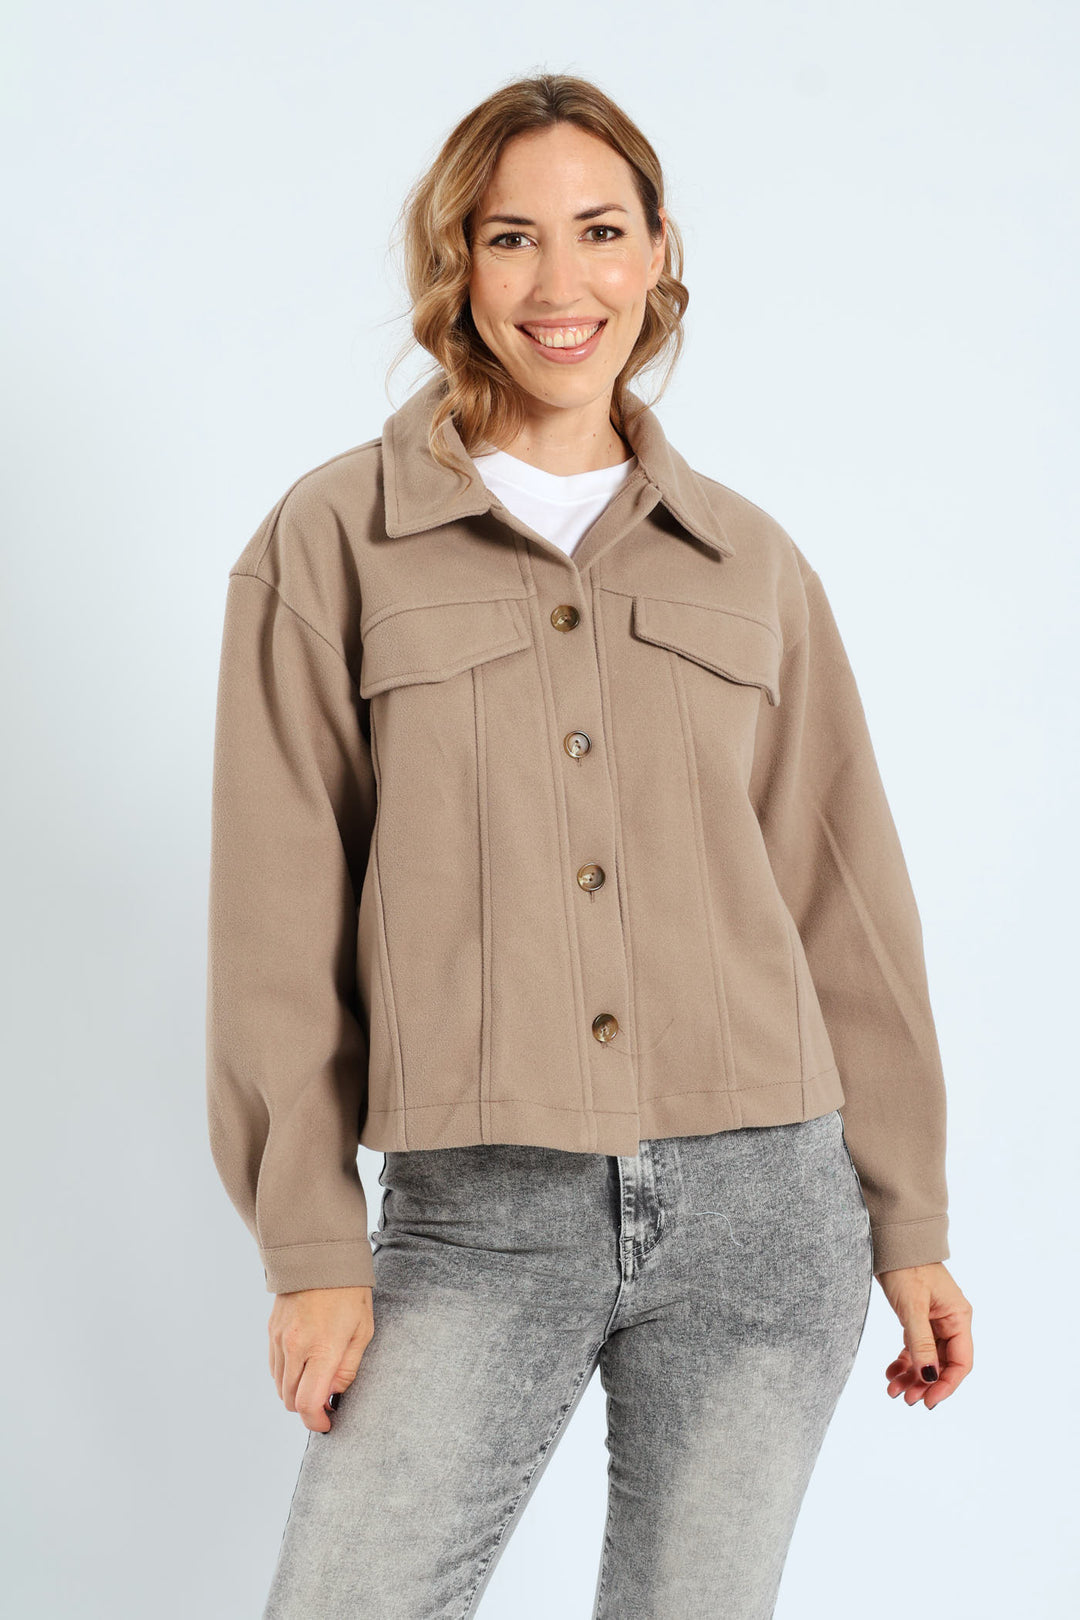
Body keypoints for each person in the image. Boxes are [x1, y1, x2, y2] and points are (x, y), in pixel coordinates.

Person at [205, 72, 974, 1620]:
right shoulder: (332, 541)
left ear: (657, 251)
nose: (563, 284)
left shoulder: (749, 561)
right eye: (512, 238)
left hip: (769, 1209)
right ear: (457, 265)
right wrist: (311, 1244)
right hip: (478, 1210)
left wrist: (910, 1220)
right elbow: (277, 918)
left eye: (602, 231)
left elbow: (845, 902)